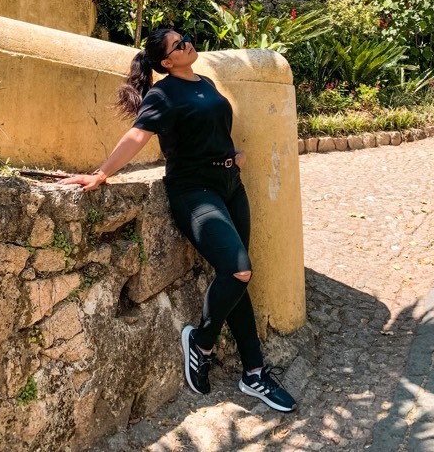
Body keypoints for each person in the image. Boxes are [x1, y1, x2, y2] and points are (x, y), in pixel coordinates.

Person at [57, 27, 297, 413]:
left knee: (236, 279)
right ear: (166, 62)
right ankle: (200, 342)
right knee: (238, 271)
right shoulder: (163, 93)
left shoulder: (204, 82)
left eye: (184, 37)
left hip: (230, 186)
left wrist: (231, 153)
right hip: (194, 191)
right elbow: (137, 137)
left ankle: (254, 373)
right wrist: (102, 174)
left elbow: (210, 128)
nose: (187, 42)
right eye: (177, 44)